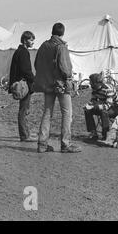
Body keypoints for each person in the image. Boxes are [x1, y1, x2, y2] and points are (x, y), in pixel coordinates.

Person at [34, 22, 81, 153]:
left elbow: (37, 63)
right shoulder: (61, 47)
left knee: (47, 113)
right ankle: (65, 144)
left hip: (47, 84)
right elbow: (65, 68)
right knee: (67, 113)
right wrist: (68, 78)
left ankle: (42, 144)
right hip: (60, 85)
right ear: (62, 33)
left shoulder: (44, 45)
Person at [8, 31, 36, 142]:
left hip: (19, 84)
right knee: (23, 110)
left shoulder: (19, 51)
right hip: (23, 85)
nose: (32, 42)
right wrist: (34, 79)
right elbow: (25, 70)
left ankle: (26, 133)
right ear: (25, 40)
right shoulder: (23, 52)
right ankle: (24, 135)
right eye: (31, 40)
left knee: (24, 109)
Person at [83, 72, 118, 142]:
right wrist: (88, 105)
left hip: (115, 107)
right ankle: (93, 133)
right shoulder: (95, 89)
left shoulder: (108, 89)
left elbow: (107, 105)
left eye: (91, 82)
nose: (90, 84)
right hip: (103, 105)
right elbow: (93, 100)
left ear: (96, 83)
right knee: (87, 110)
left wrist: (94, 106)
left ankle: (105, 134)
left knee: (104, 112)